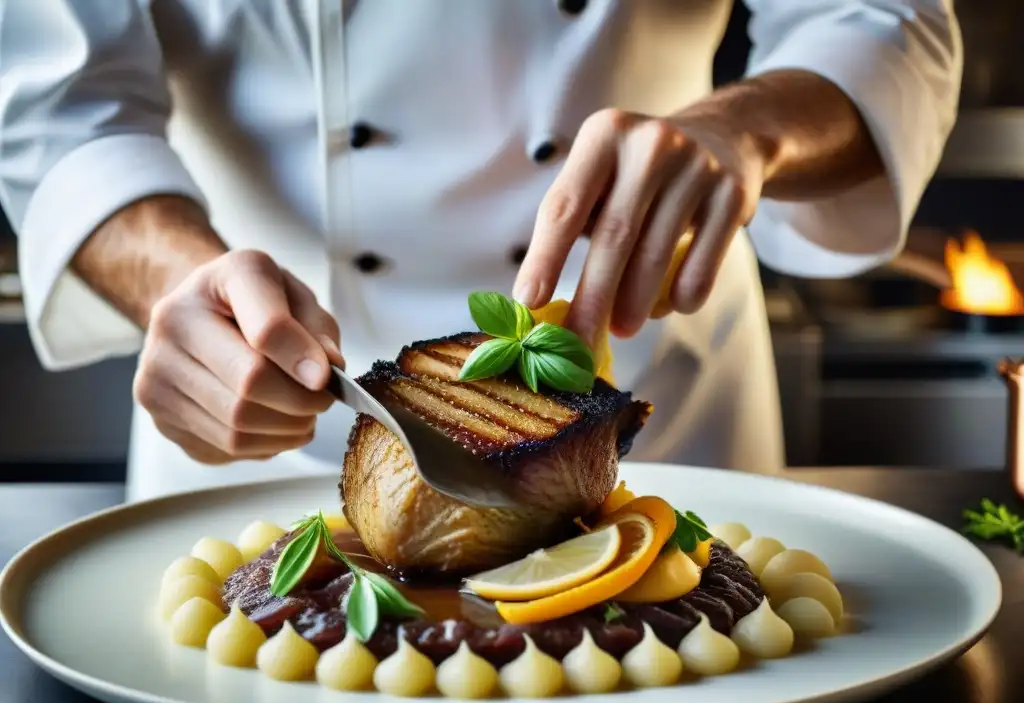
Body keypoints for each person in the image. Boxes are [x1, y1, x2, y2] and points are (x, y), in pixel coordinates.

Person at [0, 1, 961, 502]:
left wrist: (748, 129)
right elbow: (60, 108)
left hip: (665, 429)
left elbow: (885, 19)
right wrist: (177, 280)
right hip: (260, 436)